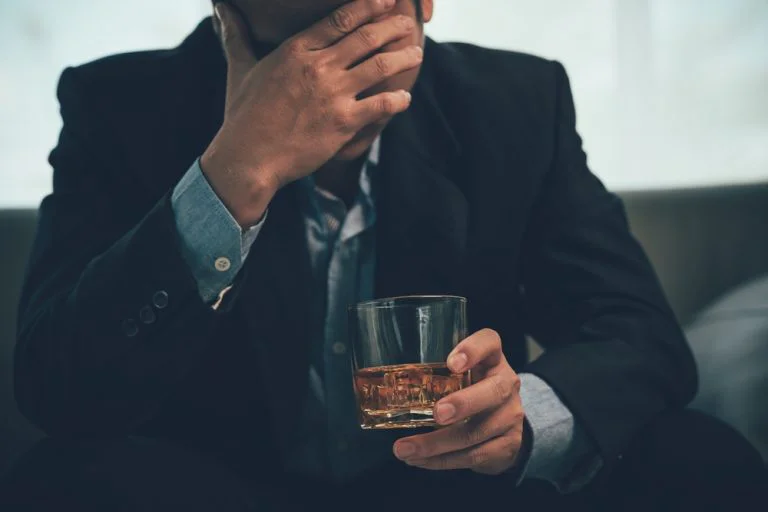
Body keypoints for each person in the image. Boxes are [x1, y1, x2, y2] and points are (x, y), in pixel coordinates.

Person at [1, 0, 765, 510]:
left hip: (447, 488)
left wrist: (523, 417)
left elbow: (640, 338)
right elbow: (58, 391)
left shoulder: (515, 100)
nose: (334, 94)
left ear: (421, 4)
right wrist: (234, 175)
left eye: (365, 46)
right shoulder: (120, 104)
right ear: (226, 20)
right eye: (297, 59)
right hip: (218, 481)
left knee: (697, 455)